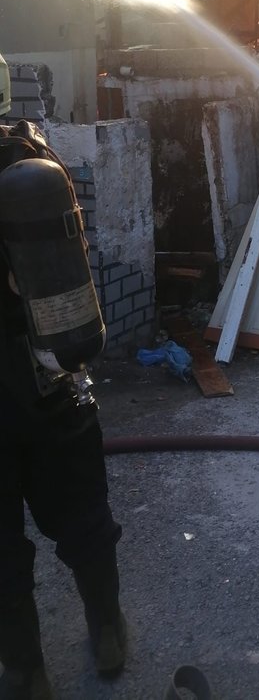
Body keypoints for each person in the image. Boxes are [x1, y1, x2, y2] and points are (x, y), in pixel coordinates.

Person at [0, 55, 126, 700]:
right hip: (47, 373)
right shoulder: (28, 159)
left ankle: (25, 671)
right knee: (81, 513)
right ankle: (108, 628)